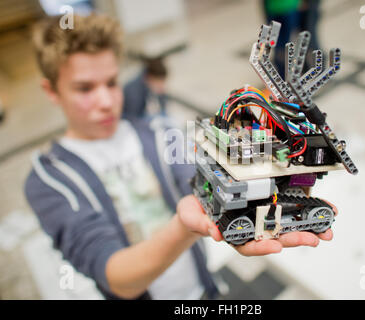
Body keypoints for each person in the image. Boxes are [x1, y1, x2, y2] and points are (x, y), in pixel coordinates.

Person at [24, 13, 335, 300]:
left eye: (111, 82)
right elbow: (115, 277)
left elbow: (202, 175)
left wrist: (271, 176)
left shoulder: (159, 132)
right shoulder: (50, 179)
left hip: (202, 290)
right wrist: (184, 228)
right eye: (84, 88)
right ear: (51, 90)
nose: (105, 101)